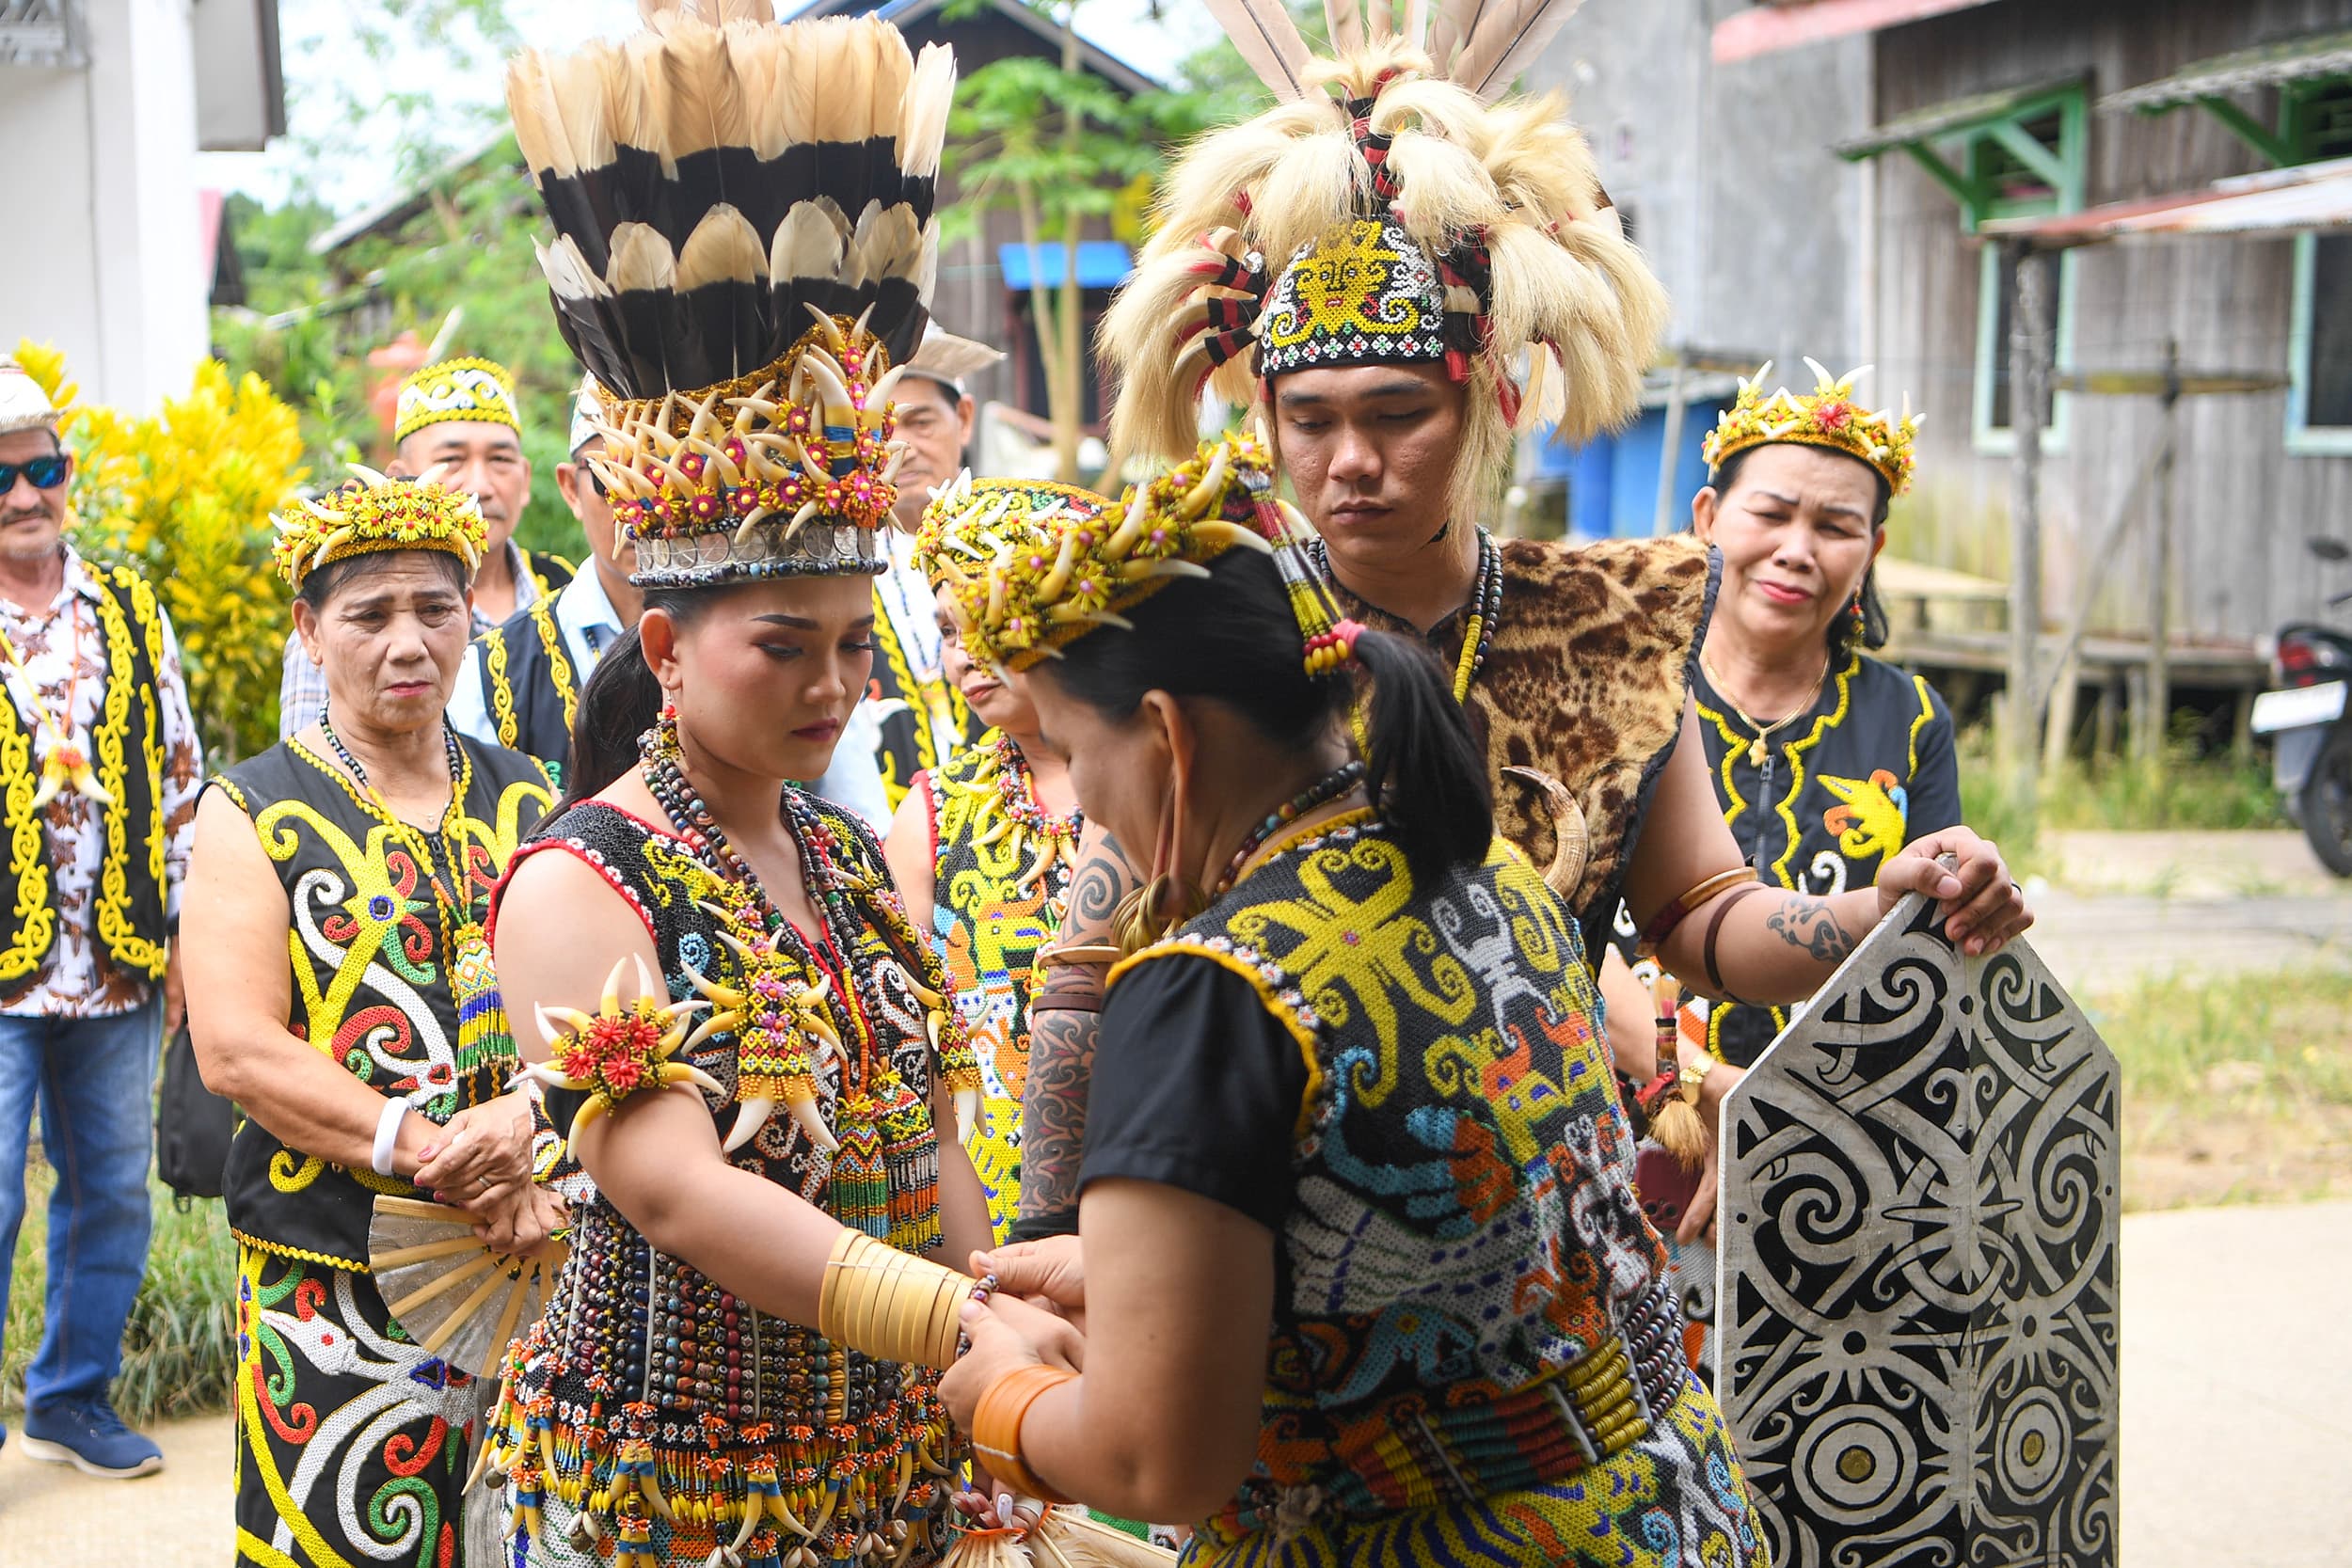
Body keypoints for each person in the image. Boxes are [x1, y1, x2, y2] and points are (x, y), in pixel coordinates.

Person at [1010, 6, 2035, 1242]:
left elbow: (1703, 917)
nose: (1349, 460)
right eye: (1310, 419)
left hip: (1545, 1239)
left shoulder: (1610, 624)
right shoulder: (1213, 627)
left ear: (1490, 398)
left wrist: (1880, 907)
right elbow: (1087, 970)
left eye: (1397, 414)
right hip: (1246, 1228)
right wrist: (1052, 1238)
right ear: (1263, 413)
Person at [930, 431, 1769, 1564]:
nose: (1082, 793)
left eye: (1075, 748)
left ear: (1168, 734)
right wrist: (1140, 1276)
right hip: (1669, 1508)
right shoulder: (1490, 870)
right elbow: (1457, 1249)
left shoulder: (1210, 988)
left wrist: (1002, 1392)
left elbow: (1157, 1458)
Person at [478, 11, 1007, 1563]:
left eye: (853, 644)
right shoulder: (580, 878)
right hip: (672, 1498)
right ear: (666, 645)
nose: (831, 684)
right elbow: (676, 1193)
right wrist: (961, 1320)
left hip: (889, 1467)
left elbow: (926, 1135)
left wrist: (999, 1314)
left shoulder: (845, 859)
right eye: (784, 645)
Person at [182, 466, 564, 1565]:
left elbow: (595, 1011)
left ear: (471, 618)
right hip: (333, 1274)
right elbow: (237, 1049)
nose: (409, 643)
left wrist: (529, 1124)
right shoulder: (254, 808)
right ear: (309, 631)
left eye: (435, 608)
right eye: (369, 615)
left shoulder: (532, 794)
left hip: (532, 1253)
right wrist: (440, 1153)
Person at [0, 356, 200, 1480]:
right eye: (0, 478)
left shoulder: (126, 606)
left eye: (42, 469)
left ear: (67, 472)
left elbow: (179, 774)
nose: (25, 494)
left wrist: (186, 935)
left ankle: (72, 1400)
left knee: (114, 1192)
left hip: (117, 957)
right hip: (2, 968)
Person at [882, 478, 1091, 1241]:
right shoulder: (933, 813)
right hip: (985, 1218)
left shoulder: (1173, 787)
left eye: (990, 621)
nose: (964, 656)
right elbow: (898, 1041)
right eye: (948, 629)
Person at [278, 356, 575, 737]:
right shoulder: (334, 628)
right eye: (452, 461)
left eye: (500, 459)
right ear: (400, 480)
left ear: (526, 477)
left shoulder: (568, 594)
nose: (480, 486)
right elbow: (306, 762)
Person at [448, 376, 641, 771]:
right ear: (570, 489)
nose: (639, 503)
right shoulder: (484, 677)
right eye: (610, 478)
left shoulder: (741, 639)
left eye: (666, 471)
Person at [855, 326, 1006, 814]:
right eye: (881, 429)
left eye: (920, 422)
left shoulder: (1016, 548)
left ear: (963, 419)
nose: (901, 447)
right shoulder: (841, 565)